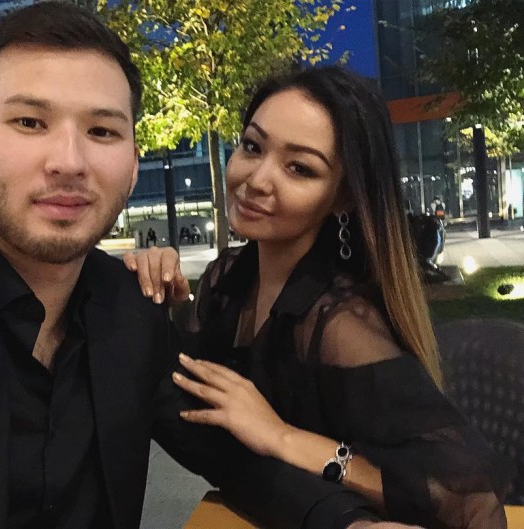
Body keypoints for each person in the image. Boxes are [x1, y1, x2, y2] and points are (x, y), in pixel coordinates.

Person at [0, 5, 394, 529]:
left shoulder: (131, 316)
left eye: (101, 131)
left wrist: (352, 524)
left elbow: (236, 464)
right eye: (29, 122)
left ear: (133, 163)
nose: (69, 161)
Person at [125, 66, 511, 528]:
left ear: (342, 198)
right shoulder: (229, 279)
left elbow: (473, 505)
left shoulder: (337, 321)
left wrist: (283, 438)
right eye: (252, 146)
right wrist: (157, 289)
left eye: (300, 168)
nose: (257, 179)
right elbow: (186, 406)